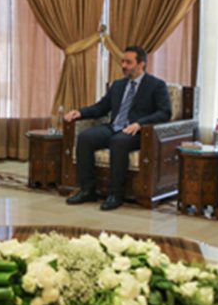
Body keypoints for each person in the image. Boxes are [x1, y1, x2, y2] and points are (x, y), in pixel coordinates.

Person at [64, 46, 171, 211]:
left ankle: (115, 194)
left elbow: (165, 112)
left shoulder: (156, 85)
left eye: (128, 62)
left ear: (141, 64)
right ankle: (87, 190)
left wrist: (140, 123)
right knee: (85, 138)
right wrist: (80, 112)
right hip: (114, 127)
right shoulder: (118, 85)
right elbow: (101, 107)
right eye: (123, 62)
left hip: (137, 132)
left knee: (118, 142)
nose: (123, 66)